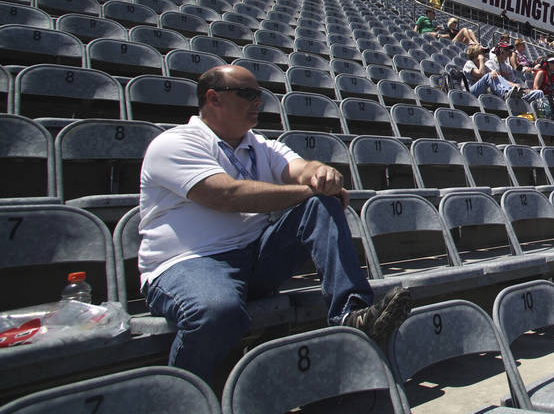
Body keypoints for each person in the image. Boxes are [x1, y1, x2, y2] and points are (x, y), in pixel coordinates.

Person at [138, 66, 411, 384]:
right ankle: (181, 400)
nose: (259, 102)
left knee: (322, 203)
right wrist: (310, 188)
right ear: (213, 98)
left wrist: (320, 174)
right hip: (190, 262)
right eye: (248, 94)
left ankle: (352, 315)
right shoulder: (174, 143)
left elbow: (301, 168)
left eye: (261, 94)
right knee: (217, 312)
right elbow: (227, 195)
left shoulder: (261, 146)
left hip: (253, 258)